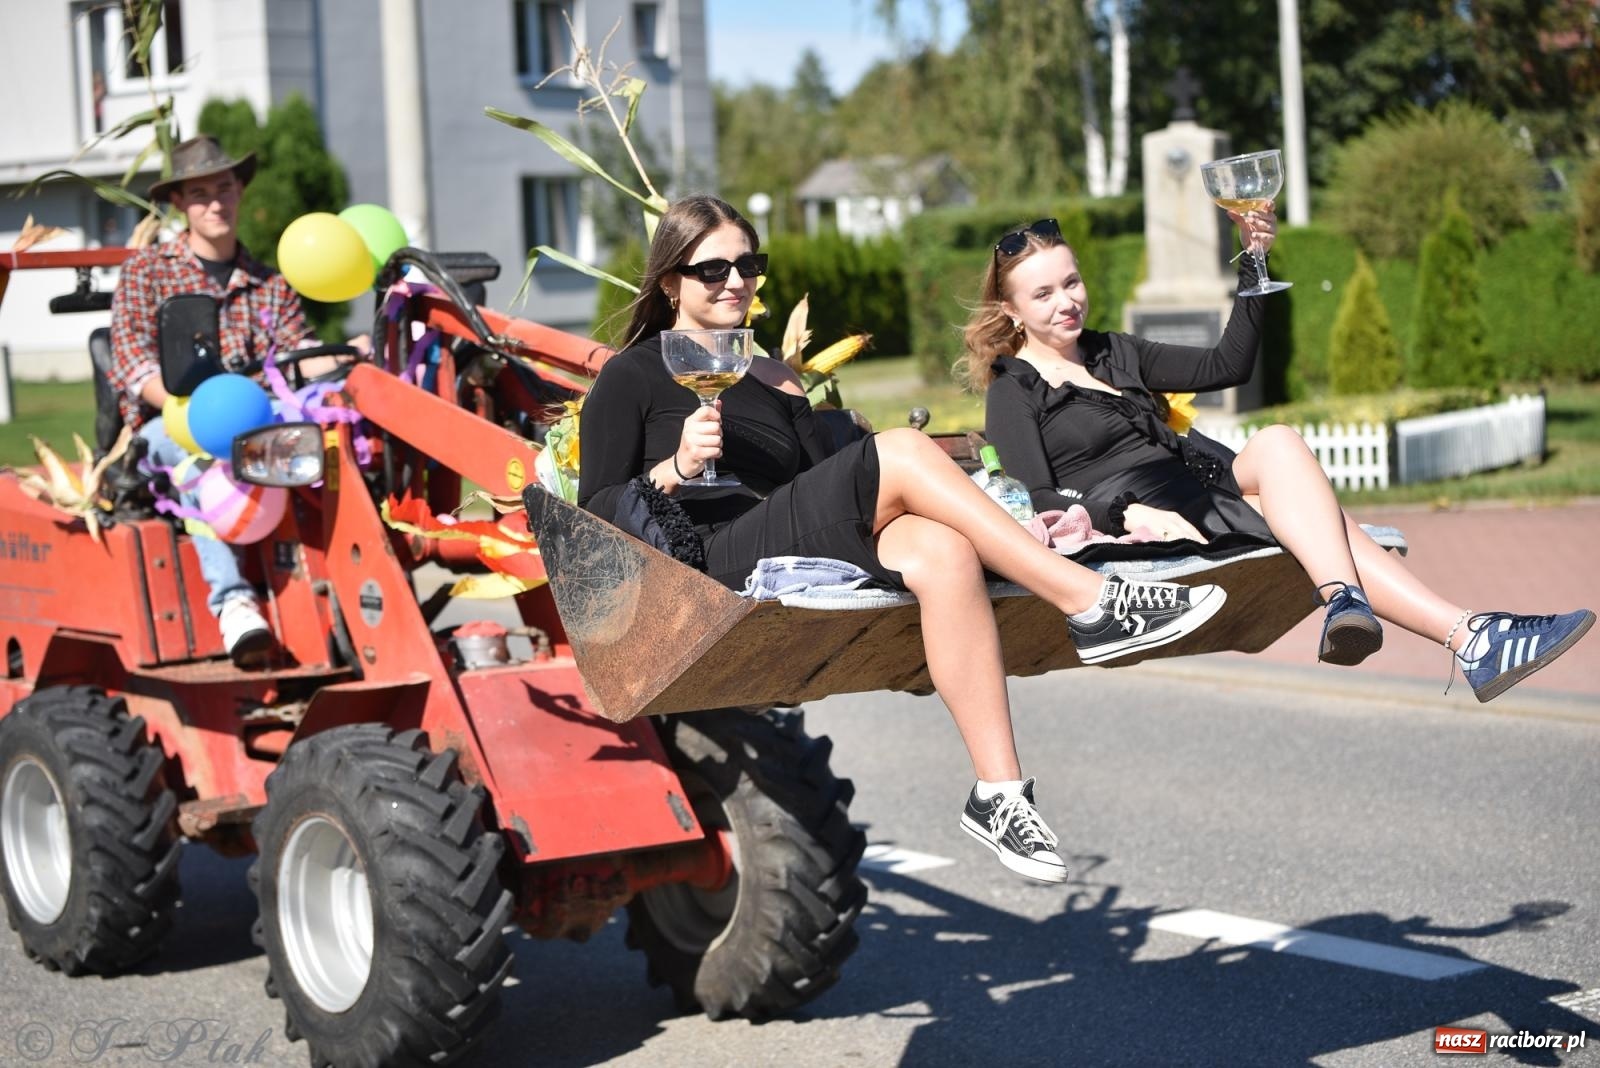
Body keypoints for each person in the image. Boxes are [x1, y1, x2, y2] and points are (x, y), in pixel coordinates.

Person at [577, 196, 1230, 885]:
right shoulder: (633, 375)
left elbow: (812, 481)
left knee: (940, 553)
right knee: (903, 449)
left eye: (749, 264)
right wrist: (675, 468)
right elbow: (594, 517)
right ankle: (1091, 599)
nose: (736, 280)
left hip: (793, 540)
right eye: (714, 269)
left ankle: (999, 794)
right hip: (709, 557)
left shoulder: (772, 373)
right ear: (672, 281)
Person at [962, 213, 1594, 703]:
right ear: (1011, 310)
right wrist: (1126, 520)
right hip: (1143, 510)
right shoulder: (1013, 390)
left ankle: (1359, 605)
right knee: (1331, 534)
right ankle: (1470, 635)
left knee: (1283, 444)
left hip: (1203, 481)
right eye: (1042, 294)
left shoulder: (1110, 351)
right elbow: (1037, 502)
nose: (1065, 302)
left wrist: (1254, 262)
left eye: (1071, 282)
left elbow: (1225, 365)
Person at [107, 136, 357, 668]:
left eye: (224, 188)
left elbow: (296, 353)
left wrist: (349, 355)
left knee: (335, 448)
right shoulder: (147, 273)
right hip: (163, 432)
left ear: (241, 191)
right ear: (180, 203)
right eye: (200, 193)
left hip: (259, 429)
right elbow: (133, 365)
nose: (215, 202)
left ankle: (342, 592)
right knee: (200, 458)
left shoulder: (269, 283)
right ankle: (233, 602)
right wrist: (191, 414)